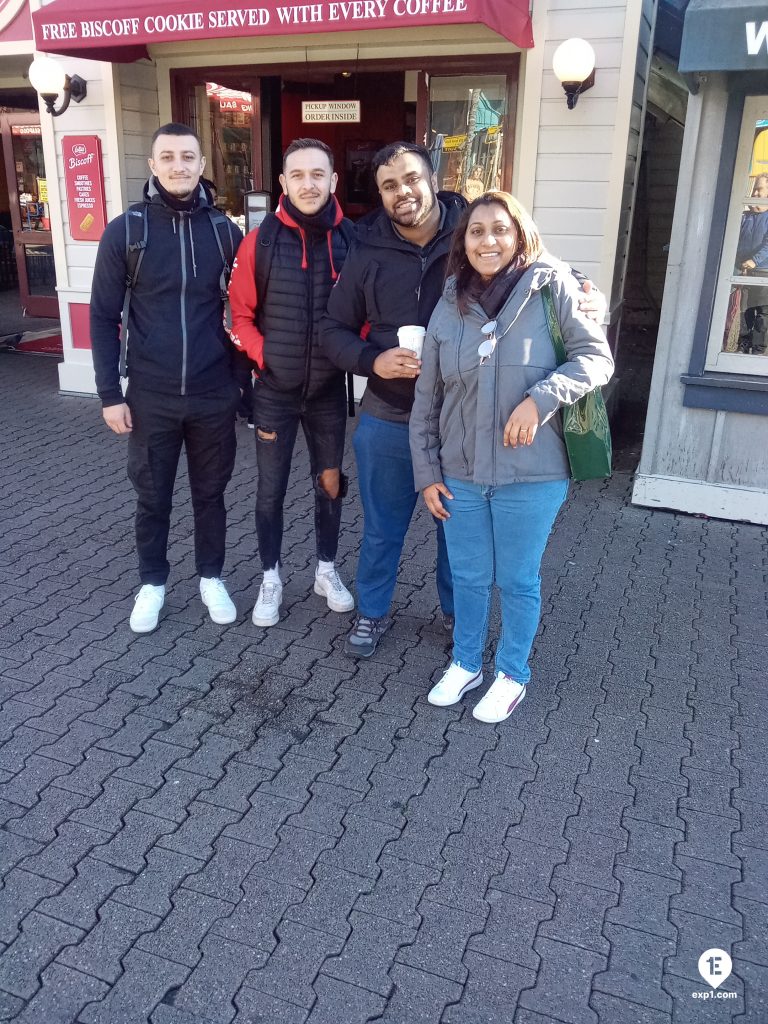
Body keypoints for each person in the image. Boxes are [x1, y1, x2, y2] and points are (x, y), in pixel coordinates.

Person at [321, 142, 603, 660]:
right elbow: (331, 329)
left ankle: (458, 615)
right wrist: (371, 361)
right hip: (387, 415)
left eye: (411, 179)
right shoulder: (365, 249)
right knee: (382, 527)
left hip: (461, 420)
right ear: (380, 195)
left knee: (456, 530)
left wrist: (584, 288)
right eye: (389, 186)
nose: (403, 192)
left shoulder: (472, 230)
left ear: (433, 178)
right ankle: (372, 611)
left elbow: (534, 263)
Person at [409, 191, 614, 723]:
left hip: (532, 473)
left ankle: (512, 673)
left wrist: (540, 398)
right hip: (461, 472)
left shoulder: (553, 286)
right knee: (469, 576)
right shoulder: (450, 302)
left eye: (500, 229)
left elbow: (596, 358)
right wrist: (426, 473)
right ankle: (466, 663)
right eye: (476, 231)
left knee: (518, 580)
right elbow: (427, 399)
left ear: (519, 234)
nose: (488, 241)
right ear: (463, 242)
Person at [90, 123, 243, 634]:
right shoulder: (126, 231)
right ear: (153, 165)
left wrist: (239, 386)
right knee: (152, 497)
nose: (179, 165)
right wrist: (109, 393)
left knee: (211, 494)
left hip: (213, 394)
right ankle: (153, 583)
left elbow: (245, 314)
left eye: (188, 156)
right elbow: (102, 316)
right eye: (169, 157)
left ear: (202, 165)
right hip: (150, 394)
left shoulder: (225, 233)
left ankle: (211, 577)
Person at [228, 138, 355, 627]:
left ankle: (326, 570)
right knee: (270, 490)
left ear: (333, 180)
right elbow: (238, 317)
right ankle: (271, 578)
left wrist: (351, 353)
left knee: (330, 485)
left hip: (328, 392)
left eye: (318, 174)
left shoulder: (351, 240)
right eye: (298, 175)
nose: (308, 184)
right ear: (283, 182)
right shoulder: (258, 242)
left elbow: (365, 313)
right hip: (274, 392)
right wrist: (268, 357)